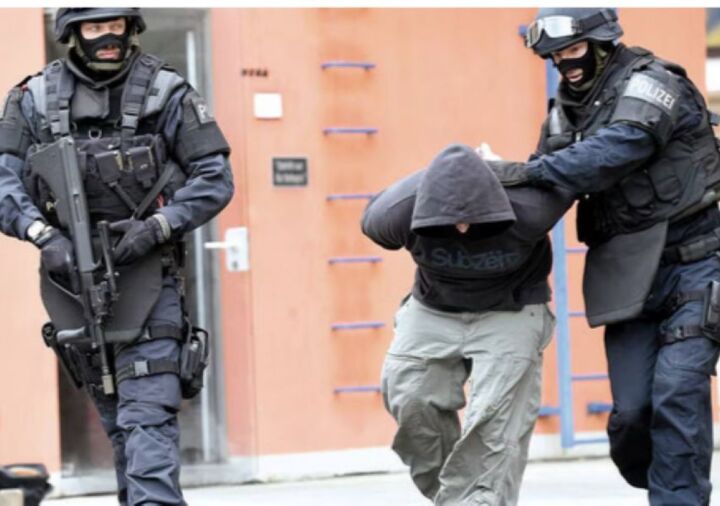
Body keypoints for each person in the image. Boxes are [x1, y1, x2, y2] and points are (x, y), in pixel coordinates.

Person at [0, 8, 233, 505]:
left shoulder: (165, 92)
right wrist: (43, 235)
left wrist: (157, 227)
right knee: (120, 424)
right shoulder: (32, 98)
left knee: (147, 415)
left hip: (149, 279)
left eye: (116, 26)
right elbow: (3, 180)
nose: (107, 37)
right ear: (72, 34)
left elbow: (214, 178)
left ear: (131, 28)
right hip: (71, 284)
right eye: (94, 27)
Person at [488, 8, 720, 505]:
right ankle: (666, 482)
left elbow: (618, 148)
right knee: (633, 415)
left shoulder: (653, 84)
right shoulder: (565, 113)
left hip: (697, 263)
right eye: (554, 57)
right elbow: (543, 190)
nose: (564, 64)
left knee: (678, 392)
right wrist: (477, 208)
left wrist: (527, 172)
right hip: (629, 276)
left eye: (572, 51)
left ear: (603, 43)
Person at [361, 143, 572, 505]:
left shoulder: (533, 206)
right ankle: (459, 498)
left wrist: (508, 170)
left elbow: (577, 175)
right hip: (433, 309)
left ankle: (479, 500)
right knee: (410, 398)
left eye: (474, 221)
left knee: (493, 418)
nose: (462, 228)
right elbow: (375, 217)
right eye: (449, 223)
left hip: (511, 309)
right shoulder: (394, 214)